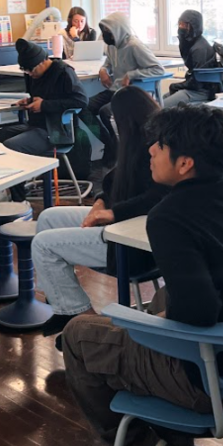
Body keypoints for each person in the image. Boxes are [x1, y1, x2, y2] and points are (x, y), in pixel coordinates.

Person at [62, 104, 223, 446]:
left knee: (77, 335)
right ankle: (168, 431)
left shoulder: (169, 215)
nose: (149, 150)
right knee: (163, 299)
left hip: (214, 383)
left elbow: (198, 313)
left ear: (184, 163)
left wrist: (154, 323)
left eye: (159, 145)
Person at [33, 86, 165, 339]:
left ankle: (78, 315)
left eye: (115, 118)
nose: (113, 124)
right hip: (122, 222)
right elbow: (115, 179)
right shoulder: (137, 140)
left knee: (43, 245)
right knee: (49, 216)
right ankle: (62, 303)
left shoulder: (158, 145)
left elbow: (158, 196)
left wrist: (113, 214)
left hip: (136, 242)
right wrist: (101, 202)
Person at [0, 38, 89, 199]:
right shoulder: (32, 75)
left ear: (43, 61)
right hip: (34, 126)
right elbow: (39, 96)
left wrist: (44, 105)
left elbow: (81, 101)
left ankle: (18, 199)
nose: (30, 75)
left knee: (11, 146)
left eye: (31, 71)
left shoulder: (63, 72)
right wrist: (29, 101)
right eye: (27, 72)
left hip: (55, 130)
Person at [87, 12, 165, 155]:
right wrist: (103, 70)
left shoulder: (135, 46)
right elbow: (108, 64)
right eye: (103, 31)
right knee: (85, 107)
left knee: (105, 112)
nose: (105, 34)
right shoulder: (111, 46)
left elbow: (158, 69)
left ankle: (116, 150)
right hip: (115, 89)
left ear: (117, 30)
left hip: (130, 92)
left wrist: (132, 74)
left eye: (108, 31)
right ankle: (110, 143)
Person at [163, 8, 217, 108]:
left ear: (194, 27)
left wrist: (178, 86)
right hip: (193, 88)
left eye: (185, 25)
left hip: (201, 91)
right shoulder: (191, 43)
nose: (181, 27)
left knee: (162, 107)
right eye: (180, 24)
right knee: (159, 101)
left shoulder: (199, 49)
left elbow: (197, 82)